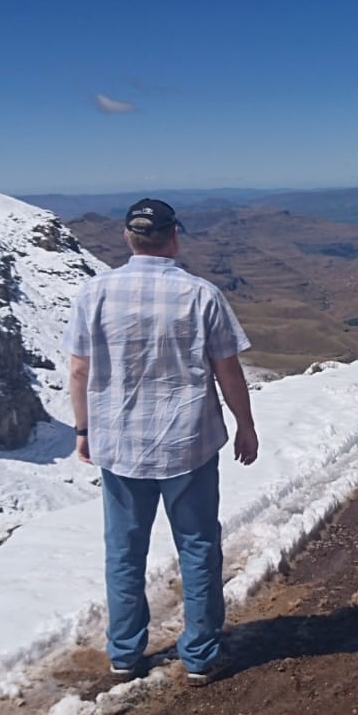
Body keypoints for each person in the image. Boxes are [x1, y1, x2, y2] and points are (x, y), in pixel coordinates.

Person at [64, 198, 259, 687]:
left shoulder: (94, 293)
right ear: (174, 236)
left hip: (120, 445)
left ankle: (125, 653)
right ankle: (200, 655)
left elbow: (80, 369)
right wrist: (245, 424)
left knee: (124, 551)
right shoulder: (201, 294)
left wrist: (84, 430)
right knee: (198, 547)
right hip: (188, 443)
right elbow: (227, 370)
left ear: (127, 238)